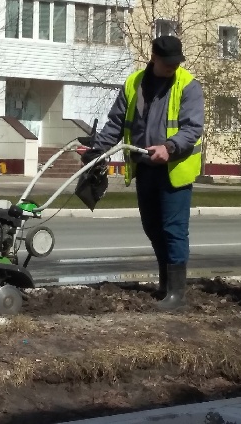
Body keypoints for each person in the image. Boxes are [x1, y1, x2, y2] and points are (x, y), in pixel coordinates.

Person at [82, 35, 204, 310]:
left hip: (174, 170)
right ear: (154, 58)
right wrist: (97, 151)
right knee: (152, 228)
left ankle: (176, 294)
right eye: (167, 63)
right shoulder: (134, 83)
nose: (173, 67)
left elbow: (193, 129)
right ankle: (165, 283)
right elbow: (116, 123)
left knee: (173, 230)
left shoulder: (188, 86)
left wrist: (169, 148)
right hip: (145, 167)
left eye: (176, 62)